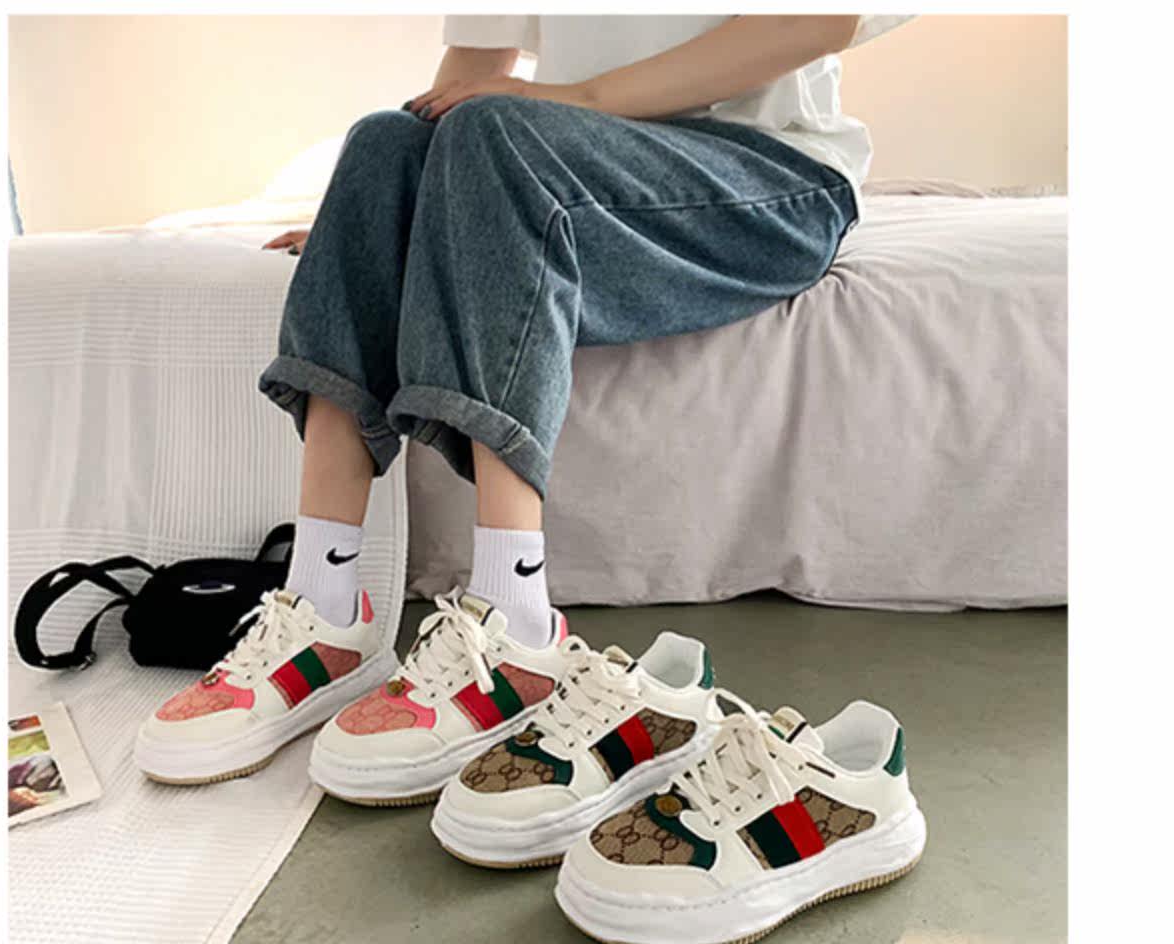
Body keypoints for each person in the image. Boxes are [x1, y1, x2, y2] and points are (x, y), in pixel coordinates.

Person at [134, 14, 910, 798]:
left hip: (771, 180)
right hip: (575, 153)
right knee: (382, 144)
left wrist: (574, 98)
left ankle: (517, 624)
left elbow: (816, 21)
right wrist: (379, 213)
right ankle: (324, 607)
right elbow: (469, 70)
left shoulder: (541, 125)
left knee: (494, 132)